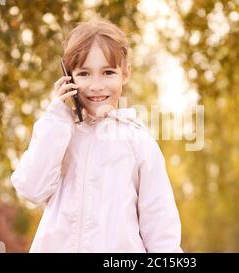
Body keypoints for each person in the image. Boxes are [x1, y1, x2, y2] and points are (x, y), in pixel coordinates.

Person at [11, 19, 183, 253]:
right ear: (68, 77)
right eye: (84, 74)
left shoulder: (138, 142)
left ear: (125, 74)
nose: (96, 85)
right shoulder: (58, 131)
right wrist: (58, 116)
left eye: (108, 72)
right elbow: (30, 188)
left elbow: (160, 226)